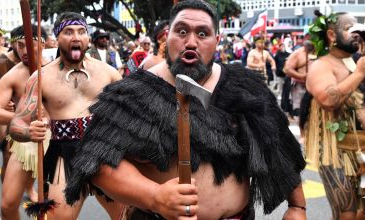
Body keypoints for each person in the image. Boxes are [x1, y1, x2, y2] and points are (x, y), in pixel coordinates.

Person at [64, 1, 307, 219]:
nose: (191, 42)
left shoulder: (245, 86)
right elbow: (98, 164)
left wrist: (297, 207)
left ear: (217, 41)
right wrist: (155, 197)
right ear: (166, 37)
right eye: (182, 31)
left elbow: (280, 146)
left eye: (203, 33)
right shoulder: (132, 94)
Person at [9, 12, 123, 220]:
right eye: (68, 32)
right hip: (65, 157)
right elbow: (16, 124)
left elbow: (130, 113)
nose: (76, 37)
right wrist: (28, 131)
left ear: (88, 38)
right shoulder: (41, 78)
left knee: (128, 215)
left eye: (81, 31)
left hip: (104, 152)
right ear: (57, 38)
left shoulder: (108, 73)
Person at [303, 12, 365, 219]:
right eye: (350, 28)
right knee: (345, 213)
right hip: (335, 152)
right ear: (332, 35)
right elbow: (329, 100)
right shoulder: (321, 66)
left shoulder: (361, 61)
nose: (357, 32)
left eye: (358, 27)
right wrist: (359, 74)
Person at [0, 24, 48, 220]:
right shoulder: (11, 75)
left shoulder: (58, 68)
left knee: (59, 209)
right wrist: (21, 118)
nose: (25, 50)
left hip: (62, 143)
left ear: (43, 44)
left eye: (31, 45)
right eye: (20, 45)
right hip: (25, 140)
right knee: (8, 205)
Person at [0, 26, 22, 183]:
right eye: (21, 45)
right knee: (8, 153)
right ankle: (7, 193)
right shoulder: (1, 63)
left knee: (33, 159)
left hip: (34, 117)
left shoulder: (43, 62)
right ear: (14, 44)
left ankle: (28, 188)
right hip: (6, 113)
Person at [283, 40, 316, 119]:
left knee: (311, 110)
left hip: (314, 87)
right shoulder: (297, 54)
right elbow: (287, 69)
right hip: (300, 86)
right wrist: (301, 76)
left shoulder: (319, 52)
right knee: (299, 109)